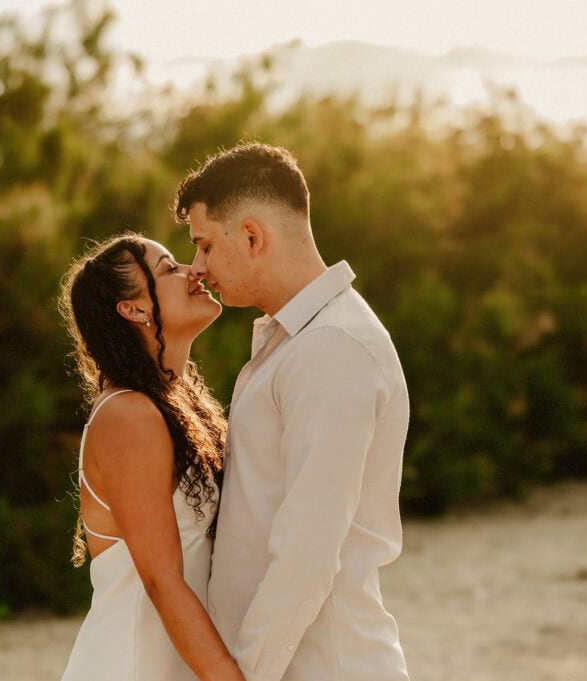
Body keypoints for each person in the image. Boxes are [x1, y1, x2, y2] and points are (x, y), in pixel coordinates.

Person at [175, 142, 411, 681]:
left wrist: (245, 675)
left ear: (253, 236)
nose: (199, 267)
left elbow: (308, 551)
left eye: (206, 246)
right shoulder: (295, 340)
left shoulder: (332, 348)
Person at [58, 234, 246, 681]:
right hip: (134, 665)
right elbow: (162, 581)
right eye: (168, 269)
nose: (193, 271)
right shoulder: (129, 415)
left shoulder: (172, 406)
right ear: (134, 309)